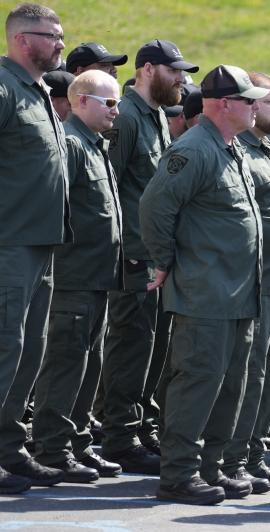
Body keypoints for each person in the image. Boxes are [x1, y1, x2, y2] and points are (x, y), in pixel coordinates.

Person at [140, 64, 269, 505]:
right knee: (197, 382)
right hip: (205, 291)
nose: (255, 107)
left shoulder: (230, 148)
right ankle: (178, 474)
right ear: (223, 104)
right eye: (248, 100)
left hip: (237, 292)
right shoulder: (195, 150)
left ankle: (210, 467)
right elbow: (156, 205)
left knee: (229, 384)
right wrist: (163, 261)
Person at [101, 38, 198, 475]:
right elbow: (113, 186)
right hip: (134, 256)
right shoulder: (126, 119)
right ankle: (118, 436)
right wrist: (125, 252)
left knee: (152, 347)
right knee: (130, 345)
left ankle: (137, 427)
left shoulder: (156, 116)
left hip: (156, 255)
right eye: (173, 71)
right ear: (146, 70)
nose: (181, 79)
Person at [30, 70, 124, 484]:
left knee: (89, 366)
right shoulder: (70, 145)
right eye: (109, 103)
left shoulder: (94, 145)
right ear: (82, 101)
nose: (116, 111)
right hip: (73, 277)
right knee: (66, 365)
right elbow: (51, 207)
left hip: (97, 276)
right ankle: (53, 447)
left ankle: (78, 443)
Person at [0, 2, 70, 494]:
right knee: (3, 349)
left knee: (27, 353)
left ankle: (7, 448)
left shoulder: (39, 91)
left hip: (42, 245)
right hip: (9, 243)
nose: (61, 43)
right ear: (24, 39)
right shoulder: (4, 88)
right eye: (52, 35)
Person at [219, 72, 270, 492]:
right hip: (252, 281)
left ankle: (251, 453)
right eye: (269, 101)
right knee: (248, 375)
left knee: (267, 373)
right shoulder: (241, 153)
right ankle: (230, 459)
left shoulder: (265, 150)